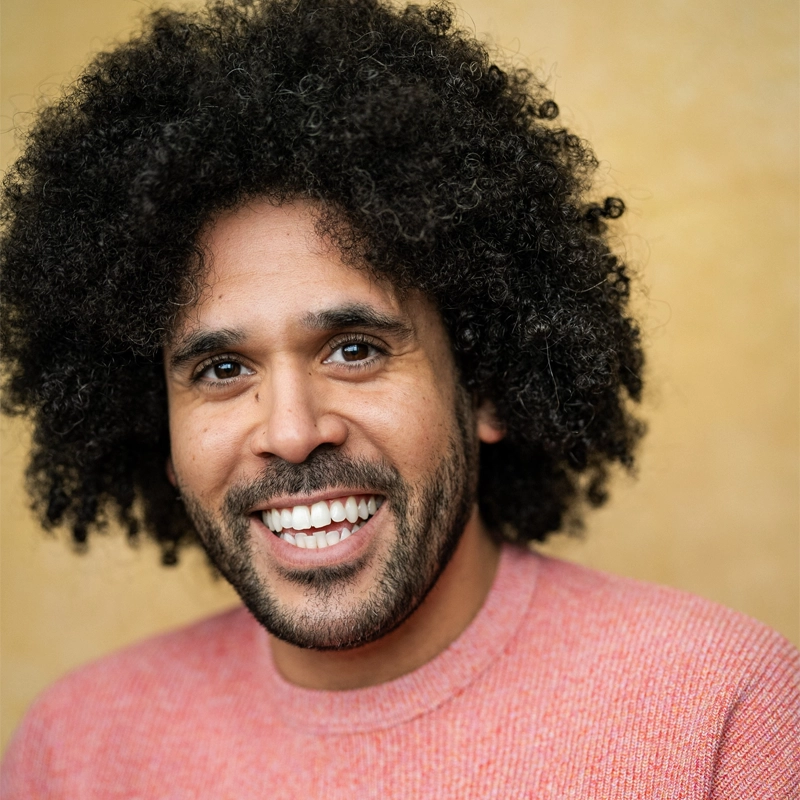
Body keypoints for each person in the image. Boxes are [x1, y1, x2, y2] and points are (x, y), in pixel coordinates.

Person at [0, 0, 797, 796]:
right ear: (159, 431)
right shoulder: (75, 751)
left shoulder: (728, 716)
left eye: (355, 350)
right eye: (220, 370)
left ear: (486, 385)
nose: (290, 431)